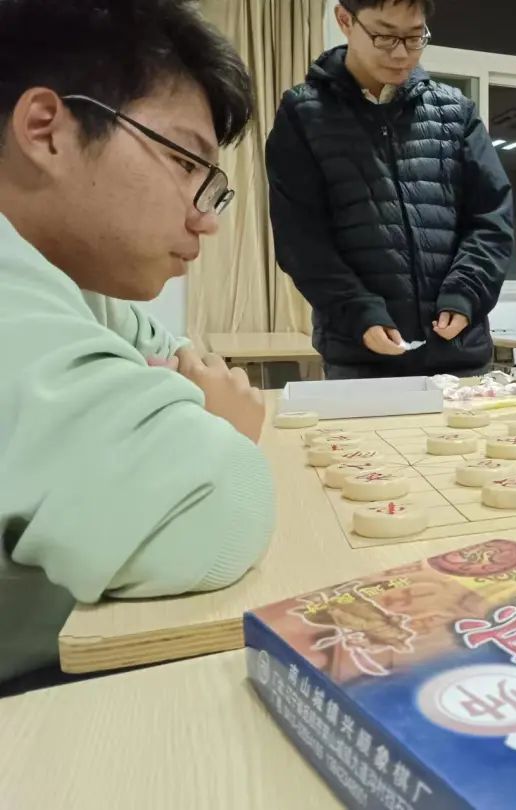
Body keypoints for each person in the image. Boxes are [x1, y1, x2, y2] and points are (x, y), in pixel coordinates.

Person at [0, 0, 273, 691]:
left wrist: (190, 414)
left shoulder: (72, 280)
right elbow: (208, 509)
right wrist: (216, 427)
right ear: (46, 130)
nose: (205, 221)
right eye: (185, 162)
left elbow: (182, 360)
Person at [266, 0, 513, 380]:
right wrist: (358, 310)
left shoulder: (455, 111)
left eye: (414, 37)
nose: (401, 54)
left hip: (460, 356)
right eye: (384, 37)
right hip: (361, 359)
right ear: (345, 20)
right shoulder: (304, 115)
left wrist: (466, 292)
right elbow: (301, 241)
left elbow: (492, 219)